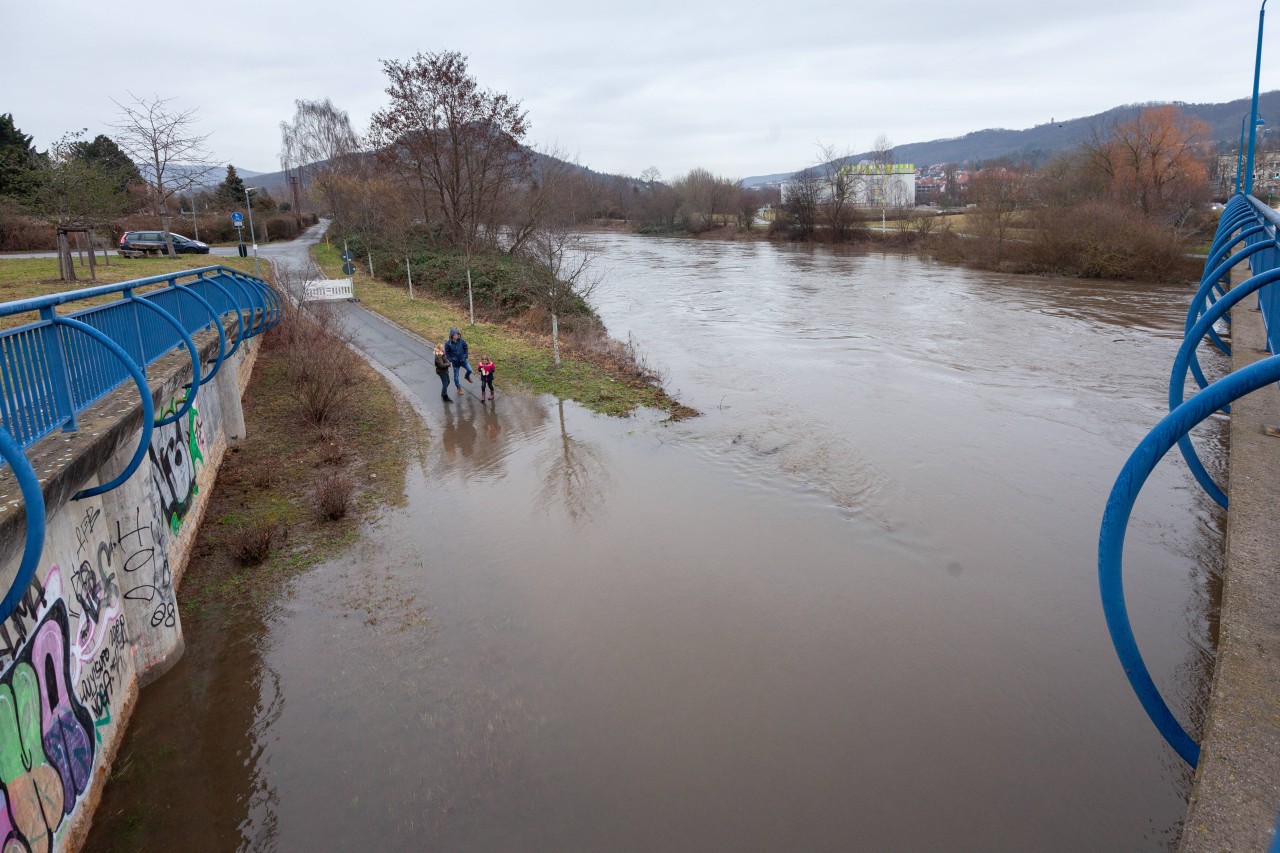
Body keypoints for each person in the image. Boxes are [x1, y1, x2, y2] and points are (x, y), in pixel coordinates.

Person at [444, 328, 473, 396]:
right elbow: (447, 353)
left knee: (470, 370)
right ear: (451, 336)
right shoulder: (448, 343)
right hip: (455, 362)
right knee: (456, 376)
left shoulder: (461, 341)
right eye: (455, 335)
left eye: (457, 335)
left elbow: (466, 348)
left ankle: (467, 376)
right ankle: (458, 388)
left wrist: (465, 356)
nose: (456, 336)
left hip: (463, 360)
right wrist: (451, 359)